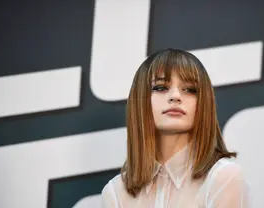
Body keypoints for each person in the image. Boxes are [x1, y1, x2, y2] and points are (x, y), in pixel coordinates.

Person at [101, 48, 250, 207]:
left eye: (190, 90)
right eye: (160, 87)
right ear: (140, 101)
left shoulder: (224, 177)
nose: (175, 96)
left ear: (204, 103)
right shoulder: (116, 192)